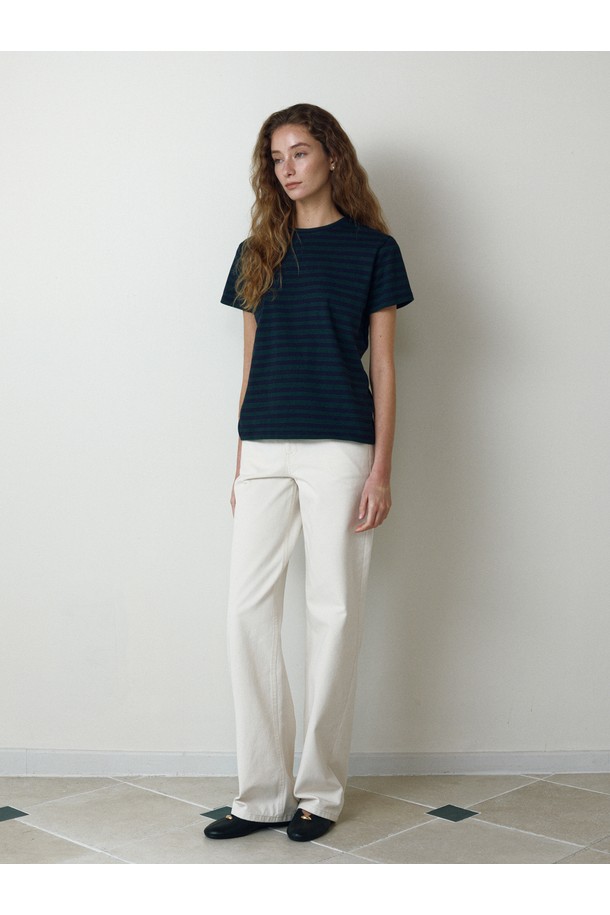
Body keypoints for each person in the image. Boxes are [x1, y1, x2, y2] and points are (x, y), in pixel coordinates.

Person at [204, 103, 413, 843]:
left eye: (299, 152)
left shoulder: (374, 250)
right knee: (246, 611)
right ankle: (262, 793)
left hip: (340, 448)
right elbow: (249, 364)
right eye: (276, 157)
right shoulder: (256, 250)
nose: (286, 168)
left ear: (331, 156)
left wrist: (381, 470)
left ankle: (318, 793)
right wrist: (241, 460)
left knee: (334, 611)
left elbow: (383, 368)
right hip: (264, 448)